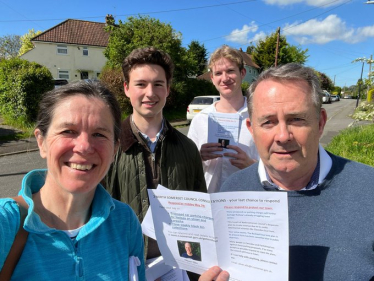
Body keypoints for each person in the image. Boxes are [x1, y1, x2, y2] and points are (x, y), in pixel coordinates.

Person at [221, 63, 374, 279]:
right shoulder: (231, 193)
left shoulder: (369, 190)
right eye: (268, 122)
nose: (283, 136)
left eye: (296, 119)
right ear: (251, 129)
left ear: (320, 123)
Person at [0, 81, 146, 280]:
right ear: (41, 142)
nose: (84, 146)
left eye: (99, 134)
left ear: (114, 150)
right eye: (68, 131)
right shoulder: (6, 222)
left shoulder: (124, 222)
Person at [104, 47, 206, 280]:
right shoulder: (109, 146)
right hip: (123, 265)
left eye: (158, 84)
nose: (150, 93)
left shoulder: (187, 147)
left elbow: (200, 213)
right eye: (141, 84)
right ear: (127, 89)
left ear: (168, 89)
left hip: (178, 266)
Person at [188, 45, 258, 193]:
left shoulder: (259, 117)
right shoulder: (201, 119)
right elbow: (187, 168)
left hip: (247, 204)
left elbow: (275, 166)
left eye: (230, 71)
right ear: (212, 78)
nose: (224, 78)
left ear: (242, 73)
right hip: (210, 202)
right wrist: (199, 157)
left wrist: (251, 165)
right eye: (218, 73)